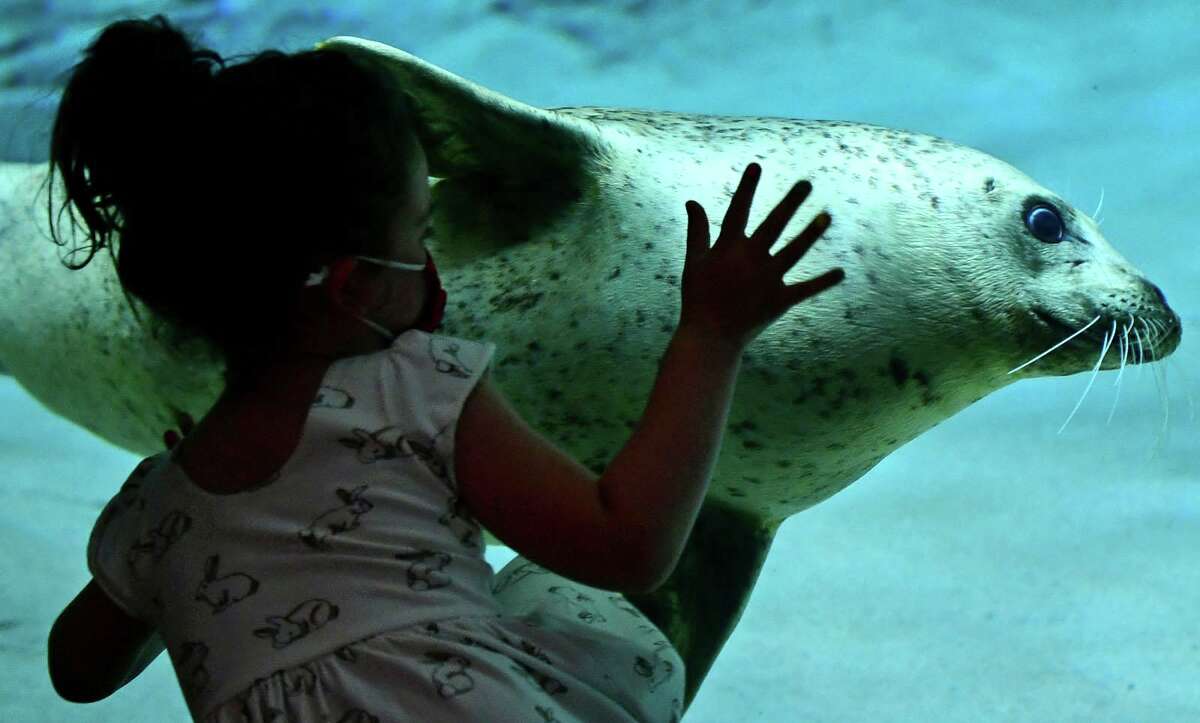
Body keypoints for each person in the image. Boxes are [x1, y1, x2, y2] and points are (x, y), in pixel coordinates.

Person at [43, 14, 844, 723]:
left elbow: (76, 671)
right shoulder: (413, 388)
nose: (430, 260)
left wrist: (190, 558)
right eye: (419, 234)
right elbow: (629, 544)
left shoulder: (159, 506)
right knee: (562, 595)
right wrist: (709, 336)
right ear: (353, 284)